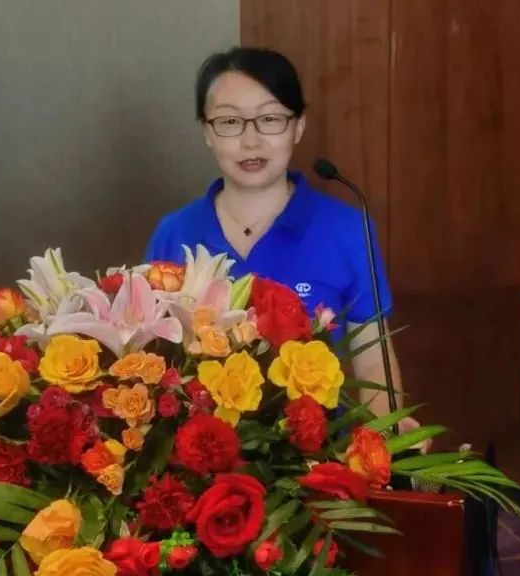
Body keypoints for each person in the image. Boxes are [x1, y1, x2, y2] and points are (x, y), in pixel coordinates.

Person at [144, 46, 426, 445]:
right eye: (229, 121)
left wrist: (389, 438)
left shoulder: (346, 229)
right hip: (199, 459)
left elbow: (372, 361)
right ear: (207, 131)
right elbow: (154, 366)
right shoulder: (175, 232)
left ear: (298, 126)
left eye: (270, 119)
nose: (251, 141)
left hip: (316, 457)